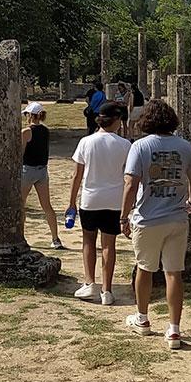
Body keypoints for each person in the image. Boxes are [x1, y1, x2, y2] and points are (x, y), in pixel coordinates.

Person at [120, 100, 191, 351]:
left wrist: (124, 216)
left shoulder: (140, 146)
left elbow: (130, 184)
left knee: (144, 269)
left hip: (148, 218)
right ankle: (174, 329)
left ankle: (143, 318)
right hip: (177, 218)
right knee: (173, 272)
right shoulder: (185, 146)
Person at [68, 102, 131, 304]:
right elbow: (128, 176)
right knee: (108, 245)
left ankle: (89, 283)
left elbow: (77, 176)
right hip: (114, 199)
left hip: (90, 198)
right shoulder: (124, 145)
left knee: (88, 241)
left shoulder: (86, 142)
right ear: (117, 121)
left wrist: (71, 202)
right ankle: (107, 289)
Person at [19, 102, 63, 250]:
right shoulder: (45, 130)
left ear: (30, 116)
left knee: (20, 204)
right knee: (47, 206)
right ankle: (55, 238)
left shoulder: (26, 132)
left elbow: (20, 153)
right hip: (42, 171)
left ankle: (20, 236)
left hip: (28, 170)